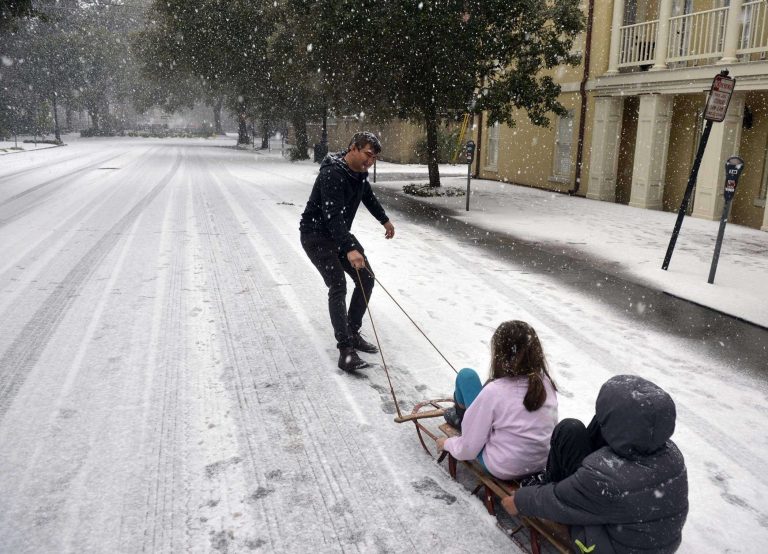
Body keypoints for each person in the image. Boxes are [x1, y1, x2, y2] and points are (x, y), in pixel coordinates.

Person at [502, 375, 689, 554]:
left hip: (611, 546)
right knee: (590, 425)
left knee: (571, 430)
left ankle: (549, 480)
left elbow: (560, 500)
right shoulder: (673, 455)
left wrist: (520, 501)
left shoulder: (606, 479)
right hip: (654, 543)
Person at [300, 132, 395, 372]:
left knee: (366, 277)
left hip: (337, 232)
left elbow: (368, 198)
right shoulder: (332, 173)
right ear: (353, 148)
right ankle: (346, 351)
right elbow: (331, 215)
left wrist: (384, 220)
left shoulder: (359, 175)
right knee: (338, 285)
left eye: (374, 158)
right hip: (316, 235)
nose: (370, 161)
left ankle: (352, 331)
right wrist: (350, 247)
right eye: (368, 155)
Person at [436, 321, 559, 481]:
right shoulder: (546, 383)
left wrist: (447, 443)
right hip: (540, 462)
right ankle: (465, 417)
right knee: (474, 386)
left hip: (504, 466)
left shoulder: (495, 391)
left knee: (466, 376)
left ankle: (462, 418)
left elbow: (469, 449)